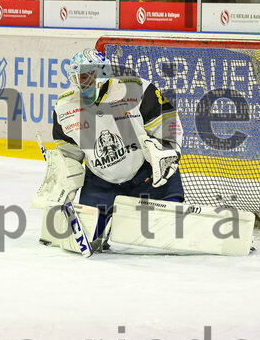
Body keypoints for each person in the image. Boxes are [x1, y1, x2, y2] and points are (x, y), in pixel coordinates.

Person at [33, 48, 183, 250]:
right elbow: (69, 151)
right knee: (87, 236)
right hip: (100, 182)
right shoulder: (65, 107)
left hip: (145, 175)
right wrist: (66, 173)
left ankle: (174, 212)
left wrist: (165, 152)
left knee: (170, 219)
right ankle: (103, 225)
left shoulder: (136, 90)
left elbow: (167, 124)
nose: (80, 83)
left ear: (102, 73)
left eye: (85, 76)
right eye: (77, 77)